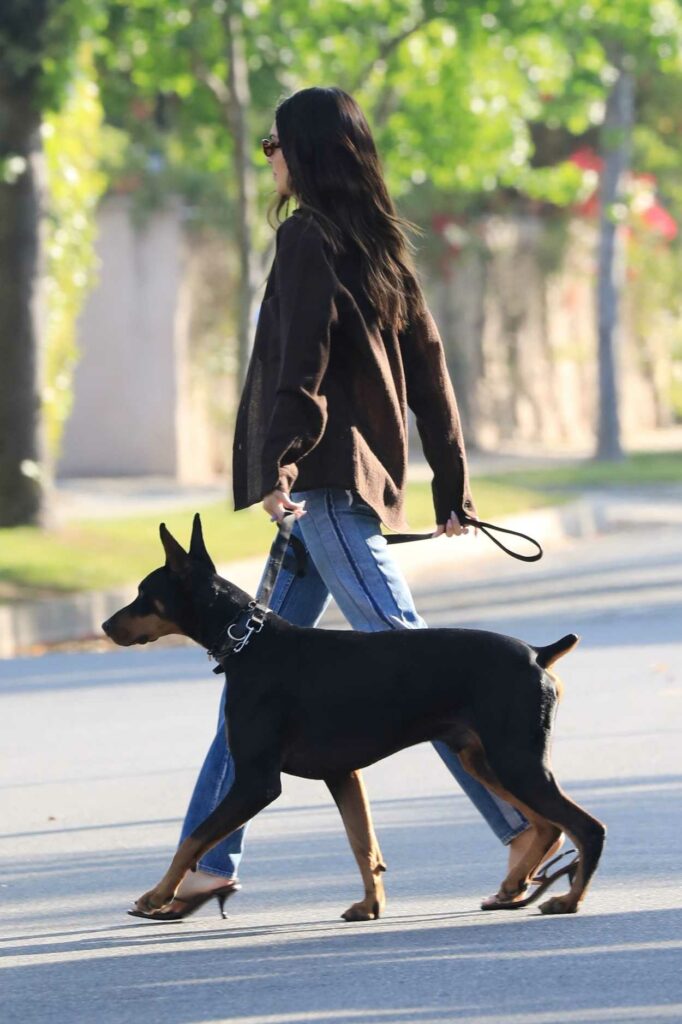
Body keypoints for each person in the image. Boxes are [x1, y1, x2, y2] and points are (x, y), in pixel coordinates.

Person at [135, 86, 562, 920]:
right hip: (332, 494)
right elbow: (432, 367)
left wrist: (280, 459)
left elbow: (304, 355)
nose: (270, 158)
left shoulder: (307, 238)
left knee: (411, 658)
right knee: (249, 679)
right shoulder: (378, 242)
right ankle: (208, 860)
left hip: (323, 490)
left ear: (305, 150)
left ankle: (524, 822)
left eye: (274, 144)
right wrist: (451, 475)